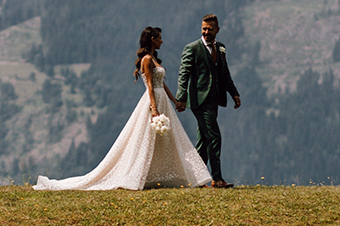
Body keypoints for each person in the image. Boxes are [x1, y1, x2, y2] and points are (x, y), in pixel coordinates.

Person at [34, 27, 212, 190]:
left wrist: (174, 101)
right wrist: (154, 109)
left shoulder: (154, 59)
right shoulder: (147, 59)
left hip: (162, 99)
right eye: (159, 38)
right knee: (147, 140)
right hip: (155, 101)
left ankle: (189, 178)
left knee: (170, 139)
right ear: (152, 39)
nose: (162, 41)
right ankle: (170, 177)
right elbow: (150, 86)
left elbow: (162, 84)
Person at [175, 14, 241, 188]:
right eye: (204, 28)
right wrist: (181, 98)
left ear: (217, 30)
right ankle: (217, 179)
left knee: (204, 141)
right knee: (214, 137)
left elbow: (225, 73)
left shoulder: (221, 48)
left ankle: (198, 179)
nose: (206, 32)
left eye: (210, 29)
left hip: (215, 99)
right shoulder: (192, 48)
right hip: (199, 101)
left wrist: (234, 93)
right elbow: (184, 75)